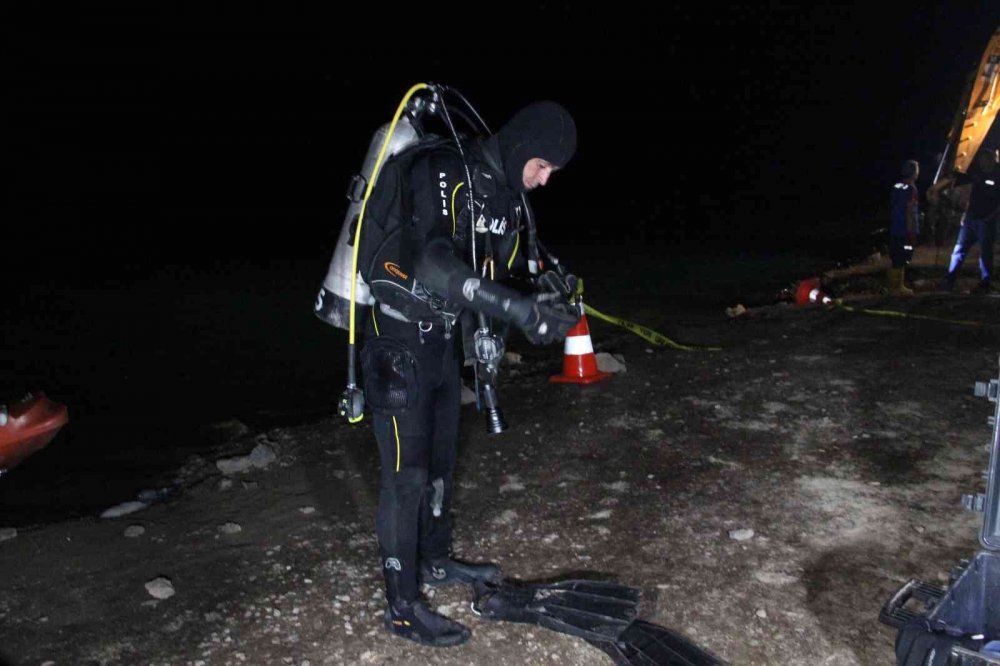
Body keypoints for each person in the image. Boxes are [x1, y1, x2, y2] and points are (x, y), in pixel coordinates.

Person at [357, 100, 581, 647]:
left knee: (440, 463)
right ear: (524, 146)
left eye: (552, 172)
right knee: (406, 477)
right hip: (397, 339)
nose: (544, 180)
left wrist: (543, 301)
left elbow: (498, 270)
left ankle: (435, 562)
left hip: (440, 343)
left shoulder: (506, 198)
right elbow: (433, 263)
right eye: (543, 166)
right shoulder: (442, 170)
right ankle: (401, 607)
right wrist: (515, 307)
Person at [930, 147, 1000, 293]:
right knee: (959, 250)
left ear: (991, 160)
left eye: (984, 160)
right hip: (970, 220)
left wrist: (991, 217)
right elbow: (967, 185)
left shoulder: (997, 176)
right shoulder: (978, 174)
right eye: (980, 160)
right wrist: (950, 174)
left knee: (985, 253)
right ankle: (949, 280)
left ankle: (985, 283)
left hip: (986, 221)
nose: (981, 162)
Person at [888, 160, 920, 295]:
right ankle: (898, 287)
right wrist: (911, 230)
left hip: (894, 227)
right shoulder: (911, 189)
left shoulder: (896, 186)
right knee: (903, 257)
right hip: (905, 229)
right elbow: (910, 210)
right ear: (914, 172)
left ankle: (894, 287)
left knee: (895, 257)